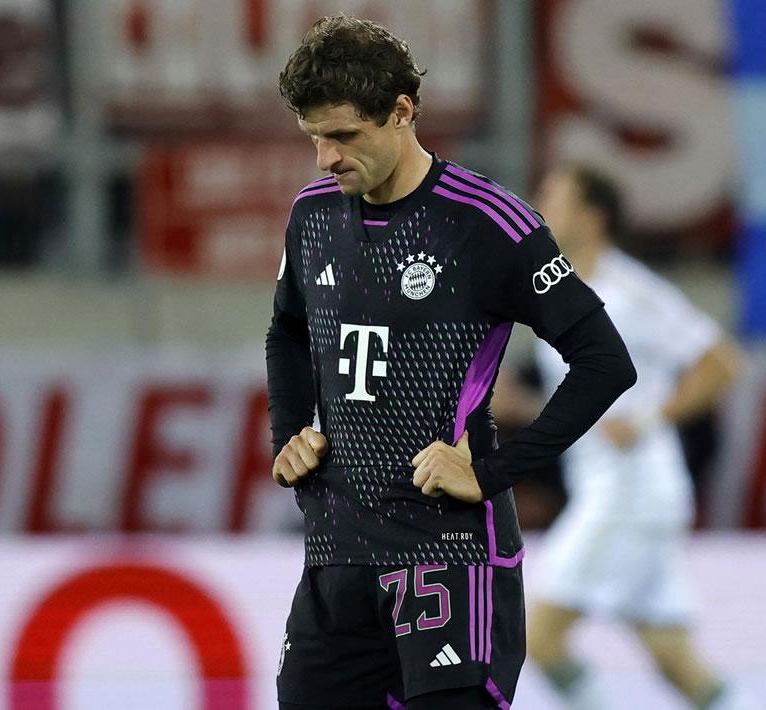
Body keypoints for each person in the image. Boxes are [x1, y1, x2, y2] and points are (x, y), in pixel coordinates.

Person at [266, 17, 636, 710]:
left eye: (343, 136)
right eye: (313, 136)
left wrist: (491, 473)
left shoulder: (488, 224)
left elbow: (604, 362)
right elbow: (286, 332)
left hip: (449, 559)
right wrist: (288, 430)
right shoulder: (311, 216)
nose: (324, 158)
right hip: (336, 558)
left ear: (402, 112)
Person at [521, 164, 745, 709]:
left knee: (533, 637)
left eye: (554, 196)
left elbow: (722, 363)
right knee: (673, 657)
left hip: (629, 493)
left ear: (592, 218)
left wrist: (648, 420)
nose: (538, 203)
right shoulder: (558, 290)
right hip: (618, 492)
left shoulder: (630, 292)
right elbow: (583, 409)